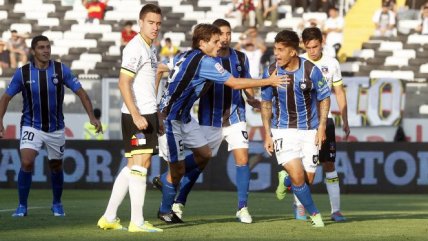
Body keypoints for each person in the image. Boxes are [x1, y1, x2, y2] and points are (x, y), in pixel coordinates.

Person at [156, 23, 286, 224]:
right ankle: (168, 206)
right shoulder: (207, 62)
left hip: (202, 118)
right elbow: (234, 82)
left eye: (225, 36)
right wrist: (268, 81)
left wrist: (251, 100)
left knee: (206, 154)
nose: (221, 42)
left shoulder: (185, 55)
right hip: (177, 118)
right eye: (216, 40)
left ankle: (242, 208)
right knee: (181, 169)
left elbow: (160, 69)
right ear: (203, 42)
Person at [0, 35, 102, 217]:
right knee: (26, 161)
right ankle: (22, 206)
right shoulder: (23, 73)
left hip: (55, 128)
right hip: (31, 125)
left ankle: (57, 203)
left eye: (48, 47)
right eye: (41, 47)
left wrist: (92, 117)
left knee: (55, 166)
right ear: (33, 51)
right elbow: (6, 98)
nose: (46, 50)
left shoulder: (60, 70)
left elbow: (82, 93)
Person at [96, 3, 163, 233]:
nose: (155, 27)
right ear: (141, 23)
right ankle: (137, 221)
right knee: (141, 165)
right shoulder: (135, 47)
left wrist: (156, 115)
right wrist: (136, 114)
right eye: (151, 23)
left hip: (147, 112)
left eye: (158, 23)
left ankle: (109, 216)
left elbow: (145, 84)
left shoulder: (150, 48)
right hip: (138, 114)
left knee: (134, 165)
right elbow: (123, 82)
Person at [275, 27, 350, 222]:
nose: (312, 51)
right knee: (301, 170)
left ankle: (336, 210)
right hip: (303, 125)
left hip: (326, 122)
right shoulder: (297, 62)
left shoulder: (332, 64)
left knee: (329, 164)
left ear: (322, 43)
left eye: (315, 47)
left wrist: (346, 119)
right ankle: (300, 207)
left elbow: (339, 92)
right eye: (308, 48)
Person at [260, 29, 331, 227]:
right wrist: (267, 134)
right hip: (283, 130)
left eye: (281, 50)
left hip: (310, 130)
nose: (277, 54)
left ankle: (286, 179)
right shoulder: (271, 71)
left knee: (307, 180)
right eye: (275, 49)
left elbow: (325, 97)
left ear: (293, 52)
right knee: (299, 177)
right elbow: (266, 104)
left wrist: (322, 126)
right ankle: (316, 215)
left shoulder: (311, 70)